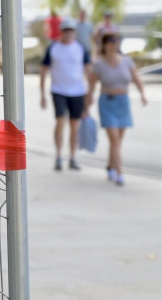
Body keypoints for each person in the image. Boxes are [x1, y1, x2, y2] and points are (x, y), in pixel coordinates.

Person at [86, 33, 149, 186]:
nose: (115, 45)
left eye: (117, 42)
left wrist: (142, 94)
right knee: (114, 140)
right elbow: (91, 87)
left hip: (123, 102)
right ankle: (120, 173)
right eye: (111, 42)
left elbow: (136, 78)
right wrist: (86, 107)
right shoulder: (99, 65)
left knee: (117, 141)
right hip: (107, 103)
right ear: (105, 45)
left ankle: (110, 166)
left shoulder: (127, 61)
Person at [40, 18, 91, 171]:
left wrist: (90, 93)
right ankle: (58, 155)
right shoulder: (53, 48)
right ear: (61, 32)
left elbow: (89, 71)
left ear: (75, 32)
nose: (68, 33)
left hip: (77, 91)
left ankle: (73, 157)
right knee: (60, 121)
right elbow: (43, 71)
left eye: (71, 30)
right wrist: (42, 94)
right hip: (58, 90)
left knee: (74, 125)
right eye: (65, 30)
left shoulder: (81, 48)